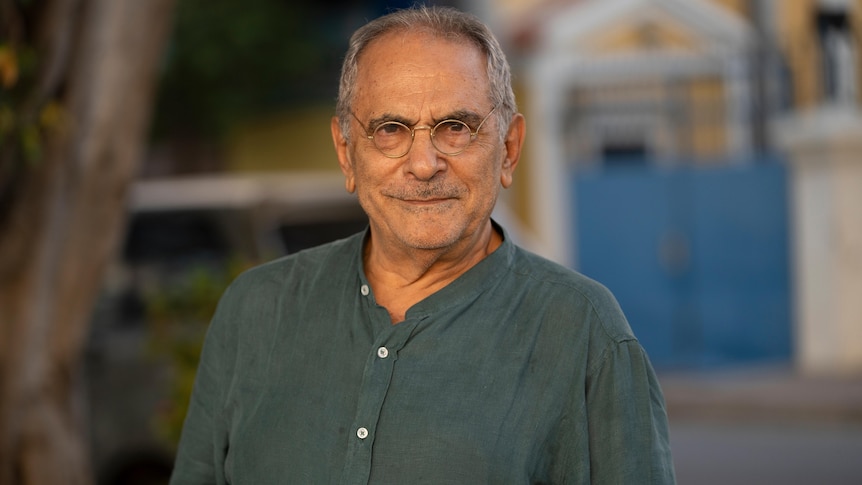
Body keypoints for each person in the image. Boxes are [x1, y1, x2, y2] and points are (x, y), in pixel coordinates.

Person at [169, 6, 676, 484]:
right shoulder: (256, 310)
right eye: (390, 129)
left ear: (509, 148)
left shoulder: (583, 332)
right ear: (347, 153)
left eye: (456, 127)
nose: (424, 163)